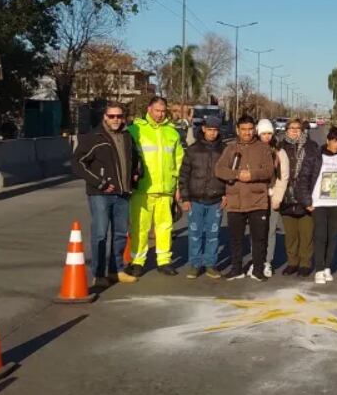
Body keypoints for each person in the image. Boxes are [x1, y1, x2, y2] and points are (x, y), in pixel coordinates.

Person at [72, 102, 143, 285]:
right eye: (112, 116)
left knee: (120, 234)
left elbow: (135, 158)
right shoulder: (93, 137)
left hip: (123, 193)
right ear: (105, 117)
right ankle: (99, 273)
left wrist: (137, 173)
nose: (116, 120)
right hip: (100, 194)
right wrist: (101, 183)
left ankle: (116, 270)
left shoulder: (127, 136)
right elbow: (77, 164)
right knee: (100, 234)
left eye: (119, 116)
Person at [128, 96, 184, 277]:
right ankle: (137, 262)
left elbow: (179, 161)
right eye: (157, 111)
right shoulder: (135, 130)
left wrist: (178, 187)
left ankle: (164, 261)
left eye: (163, 111)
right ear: (149, 109)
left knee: (165, 226)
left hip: (166, 189)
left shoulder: (172, 133)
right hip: (142, 189)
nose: (160, 114)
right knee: (139, 227)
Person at [215, 115, 276, 281]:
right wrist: (236, 174)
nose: (247, 133)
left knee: (259, 238)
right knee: (235, 239)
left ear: (254, 129)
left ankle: (258, 269)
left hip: (258, 201)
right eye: (244, 129)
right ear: (237, 130)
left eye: (250, 129)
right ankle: (236, 269)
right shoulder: (230, 148)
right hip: (236, 202)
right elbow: (219, 170)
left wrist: (252, 175)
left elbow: (269, 171)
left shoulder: (263, 148)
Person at [298, 126, 337, 284]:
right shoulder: (315, 156)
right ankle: (319, 269)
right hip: (318, 203)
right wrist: (307, 201)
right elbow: (303, 178)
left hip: (335, 203)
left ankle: (327, 267)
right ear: (328, 141)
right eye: (335, 141)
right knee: (320, 236)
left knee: (332, 237)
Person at [178, 116, 227, 279]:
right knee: (195, 234)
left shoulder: (224, 150)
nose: (213, 133)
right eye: (210, 130)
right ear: (204, 129)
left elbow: (230, 176)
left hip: (216, 200)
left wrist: (227, 194)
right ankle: (195, 264)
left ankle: (210, 264)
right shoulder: (193, 150)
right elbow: (184, 175)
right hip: (195, 200)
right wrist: (185, 198)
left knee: (213, 235)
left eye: (215, 130)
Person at [278, 119, 318, 277]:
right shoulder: (280, 146)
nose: (294, 130)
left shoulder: (311, 146)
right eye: (291, 128)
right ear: (286, 130)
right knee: (291, 235)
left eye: (298, 128)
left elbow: (316, 170)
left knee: (306, 233)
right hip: (286, 194)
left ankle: (305, 263)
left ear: (302, 130)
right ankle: (292, 263)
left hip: (305, 194)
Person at [258, 118, 290, 278]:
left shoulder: (279, 151)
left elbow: (283, 176)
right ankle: (257, 261)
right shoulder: (252, 149)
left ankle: (267, 262)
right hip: (255, 198)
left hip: (272, 197)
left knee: (270, 231)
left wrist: (277, 197)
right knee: (257, 232)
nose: (266, 136)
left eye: (269, 133)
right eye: (263, 133)